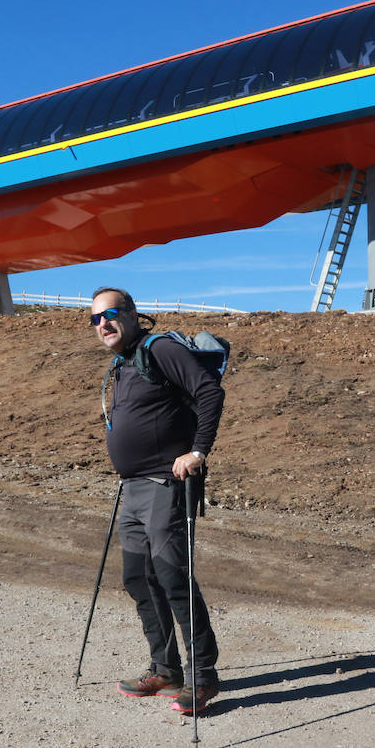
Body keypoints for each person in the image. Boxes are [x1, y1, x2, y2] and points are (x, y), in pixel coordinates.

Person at [90, 286, 224, 714]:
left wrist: (197, 452)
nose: (102, 324)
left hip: (166, 484)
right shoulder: (125, 361)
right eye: (94, 319)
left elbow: (209, 393)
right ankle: (166, 668)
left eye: (109, 314)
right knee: (138, 577)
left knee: (173, 579)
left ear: (131, 314)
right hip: (133, 489)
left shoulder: (159, 347)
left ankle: (203, 677)